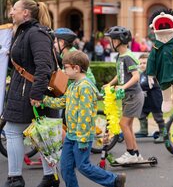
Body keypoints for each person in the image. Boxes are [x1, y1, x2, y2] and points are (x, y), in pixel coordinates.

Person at [42, 51, 126, 187]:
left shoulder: (85, 87)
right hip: (71, 135)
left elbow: (85, 116)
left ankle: (114, 180)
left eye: (66, 67)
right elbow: (62, 102)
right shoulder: (74, 85)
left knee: (83, 166)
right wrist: (44, 100)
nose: (64, 71)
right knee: (66, 168)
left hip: (82, 136)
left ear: (76, 68)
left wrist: (82, 139)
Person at [3, 0, 60, 187]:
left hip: (32, 94)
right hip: (25, 92)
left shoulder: (35, 33)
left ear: (25, 13)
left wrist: (36, 94)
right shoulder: (25, 32)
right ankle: (49, 177)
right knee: (42, 135)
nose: (11, 13)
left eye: (15, 9)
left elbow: (44, 66)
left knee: (13, 131)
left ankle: (16, 178)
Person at [104, 26, 145, 164]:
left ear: (119, 41)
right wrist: (110, 84)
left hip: (134, 95)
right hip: (128, 95)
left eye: (112, 39)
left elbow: (136, 76)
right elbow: (121, 74)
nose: (111, 42)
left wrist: (123, 86)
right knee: (128, 126)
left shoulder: (128, 57)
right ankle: (136, 153)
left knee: (123, 124)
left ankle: (130, 153)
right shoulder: (120, 57)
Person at [135, 53, 165, 143]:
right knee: (141, 114)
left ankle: (164, 133)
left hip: (155, 100)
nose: (142, 65)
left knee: (158, 117)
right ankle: (143, 129)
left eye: (144, 63)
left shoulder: (152, 73)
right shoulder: (141, 74)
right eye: (140, 63)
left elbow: (148, 85)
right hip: (146, 100)